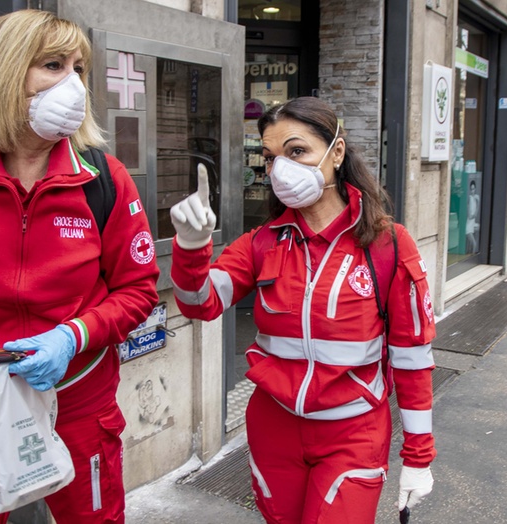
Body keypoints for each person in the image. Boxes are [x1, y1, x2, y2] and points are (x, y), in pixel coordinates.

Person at [0, 10, 159, 523]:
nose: (74, 84)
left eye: (79, 69)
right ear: (5, 73)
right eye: (53, 65)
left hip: (79, 407)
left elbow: (137, 290)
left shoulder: (104, 181)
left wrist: (73, 336)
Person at [170, 97, 436, 523]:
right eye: (271, 157)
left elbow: (412, 356)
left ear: (337, 152)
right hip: (274, 429)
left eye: (297, 152)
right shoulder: (262, 241)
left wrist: (419, 455)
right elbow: (201, 302)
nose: (281, 169)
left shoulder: (388, 245)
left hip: (354, 431)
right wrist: (189, 247)